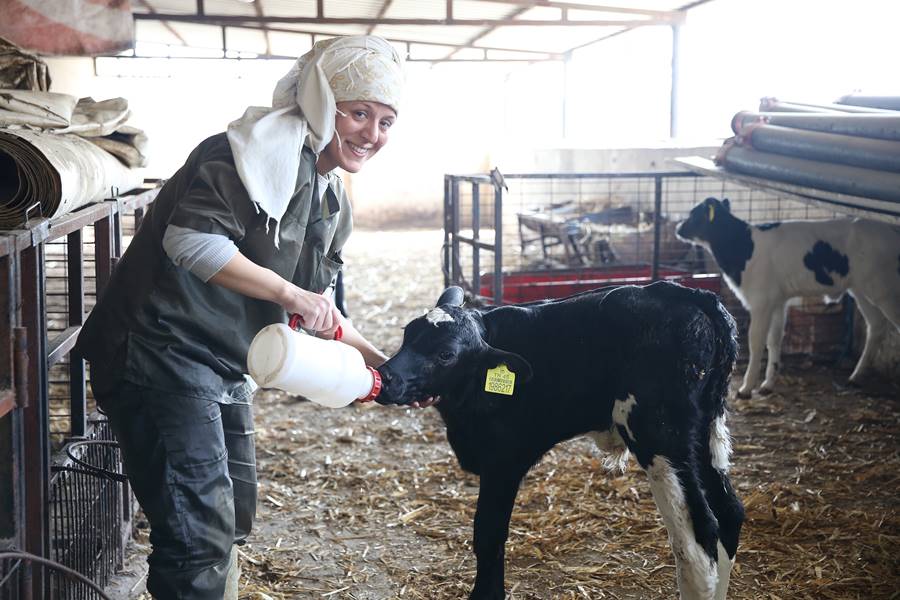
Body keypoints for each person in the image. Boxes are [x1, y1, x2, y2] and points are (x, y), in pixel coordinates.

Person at [74, 35, 415, 599]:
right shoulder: (245, 153)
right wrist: (294, 296)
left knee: (232, 521)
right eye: (359, 113)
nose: (372, 135)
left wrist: (389, 368)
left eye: (386, 122)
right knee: (198, 533)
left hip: (225, 364)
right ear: (323, 101)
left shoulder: (332, 197)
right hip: (159, 350)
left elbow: (320, 309)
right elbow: (191, 241)